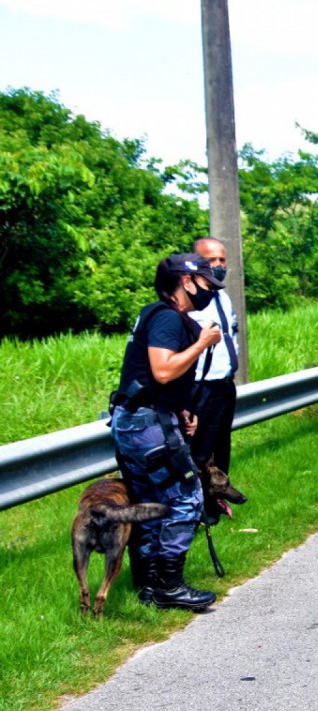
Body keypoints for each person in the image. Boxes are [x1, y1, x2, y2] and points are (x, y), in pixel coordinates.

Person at [110, 253, 224, 610]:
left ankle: (148, 586)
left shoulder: (156, 314)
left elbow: (152, 380)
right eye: (207, 284)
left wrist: (182, 409)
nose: (211, 292)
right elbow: (162, 371)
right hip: (146, 425)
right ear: (186, 282)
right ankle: (170, 585)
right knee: (186, 497)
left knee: (151, 504)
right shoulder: (166, 319)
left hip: (135, 419)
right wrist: (202, 344)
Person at [186, 237, 241, 478]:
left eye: (222, 259)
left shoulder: (223, 297)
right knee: (199, 454)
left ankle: (216, 507)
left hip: (224, 387)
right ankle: (196, 509)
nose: (218, 265)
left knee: (221, 452)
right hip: (200, 389)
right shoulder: (190, 302)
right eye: (211, 260)